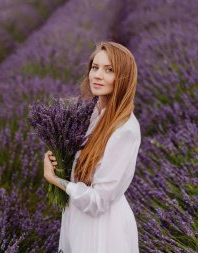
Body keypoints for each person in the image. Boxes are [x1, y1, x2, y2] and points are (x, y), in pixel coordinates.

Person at [43, 41, 141, 253]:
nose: (97, 75)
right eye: (95, 67)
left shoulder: (124, 130)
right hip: (78, 219)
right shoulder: (93, 114)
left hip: (102, 231)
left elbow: (98, 201)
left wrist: (56, 180)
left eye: (109, 70)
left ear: (123, 78)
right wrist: (59, 162)